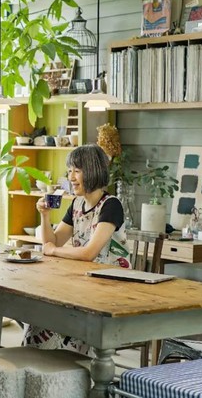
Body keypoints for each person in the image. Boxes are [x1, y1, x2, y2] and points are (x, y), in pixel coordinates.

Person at [22, 144, 129, 354]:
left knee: (53, 313)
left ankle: (65, 363)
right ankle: (45, 365)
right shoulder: (77, 204)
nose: (71, 177)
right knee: (40, 312)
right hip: (84, 280)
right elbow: (52, 241)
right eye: (69, 170)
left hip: (110, 285)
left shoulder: (111, 205)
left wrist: (52, 250)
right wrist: (44, 216)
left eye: (77, 171)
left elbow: (89, 253)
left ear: (92, 171)